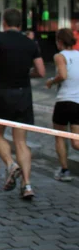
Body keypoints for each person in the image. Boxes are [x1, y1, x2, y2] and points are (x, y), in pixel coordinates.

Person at [0, 8, 45, 200]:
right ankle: (27, 185)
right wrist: (27, 73)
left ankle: (11, 164)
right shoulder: (30, 43)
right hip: (24, 94)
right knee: (21, 141)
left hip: (3, 94)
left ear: (4, 23)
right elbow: (41, 71)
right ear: (20, 24)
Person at [46, 28, 79, 182]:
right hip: (78, 102)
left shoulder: (60, 56)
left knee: (60, 137)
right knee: (76, 141)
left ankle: (64, 170)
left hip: (64, 101)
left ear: (59, 41)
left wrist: (52, 81)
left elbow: (63, 75)